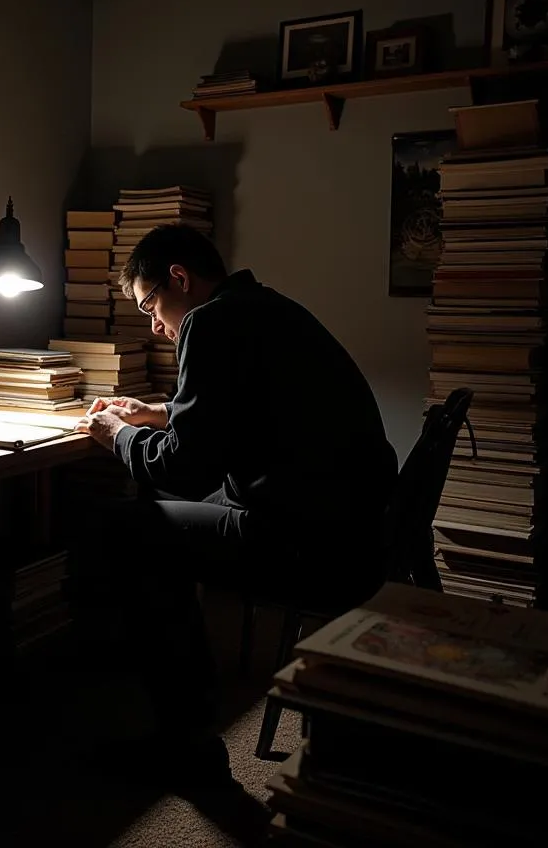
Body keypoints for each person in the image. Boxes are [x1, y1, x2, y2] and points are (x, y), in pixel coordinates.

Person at [71, 223, 398, 792]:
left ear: (180, 278)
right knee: (156, 514)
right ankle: (189, 697)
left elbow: (185, 469)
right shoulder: (262, 306)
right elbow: (246, 416)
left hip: (306, 538)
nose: (154, 325)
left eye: (151, 305)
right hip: (347, 520)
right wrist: (163, 415)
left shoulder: (207, 320)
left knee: (126, 527)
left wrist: (116, 435)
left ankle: (188, 742)